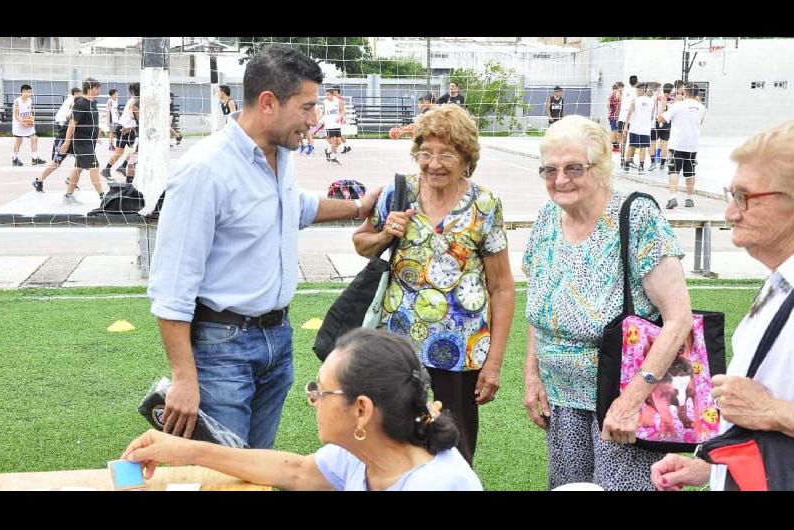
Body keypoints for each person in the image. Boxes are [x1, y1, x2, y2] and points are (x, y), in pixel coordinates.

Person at [147, 44, 381, 450]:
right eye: (307, 108)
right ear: (269, 102)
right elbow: (171, 288)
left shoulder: (278, 155)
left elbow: (295, 206)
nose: (314, 120)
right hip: (222, 348)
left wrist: (359, 206)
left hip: (277, 338)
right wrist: (184, 379)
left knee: (257, 464)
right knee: (223, 472)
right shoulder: (205, 170)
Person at [522, 115, 693, 490]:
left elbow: (679, 319)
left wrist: (631, 401)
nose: (560, 179)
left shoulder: (637, 217)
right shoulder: (548, 217)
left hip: (626, 401)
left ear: (601, 168)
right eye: (549, 170)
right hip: (562, 403)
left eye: (573, 168)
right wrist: (532, 374)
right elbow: (539, 304)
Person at [352, 103, 515, 466]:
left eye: (446, 154)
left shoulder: (484, 205)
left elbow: (502, 287)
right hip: (398, 350)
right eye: (425, 153)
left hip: (460, 353)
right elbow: (361, 242)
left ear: (466, 159)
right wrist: (384, 236)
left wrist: (494, 364)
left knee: (452, 450)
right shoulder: (399, 193)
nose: (433, 164)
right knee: (395, 444)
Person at [121, 328, 483, 491]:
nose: (312, 400)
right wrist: (182, 449)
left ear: (362, 410)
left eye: (321, 391)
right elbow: (296, 471)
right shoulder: (367, 452)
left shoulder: (440, 484)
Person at [651, 121, 794, 491]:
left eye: (744, 197)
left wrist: (773, 413)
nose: (730, 212)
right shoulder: (780, 282)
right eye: (731, 194)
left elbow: (764, 409)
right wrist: (711, 468)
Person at [657, 82, 706, 209]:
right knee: (690, 172)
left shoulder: (678, 105)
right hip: (692, 145)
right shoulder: (701, 108)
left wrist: (662, 107)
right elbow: (700, 121)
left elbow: (660, 119)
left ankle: (672, 197)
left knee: (674, 171)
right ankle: (689, 199)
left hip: (677, 144)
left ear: (686, 92)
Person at [58, 78, 104, 205]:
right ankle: (103, 196)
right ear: (89, 89)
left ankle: (68, 195)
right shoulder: (81, 103)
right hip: (82, 141)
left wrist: (96, 135)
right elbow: (72, 124)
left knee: (78, 168)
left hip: (90, 141)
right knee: (94, 166)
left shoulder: (93, 102)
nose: (99, 90)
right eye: (97, 88)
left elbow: (92, 122)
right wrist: (67, 142)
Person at [32, 92, 82, 193]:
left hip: (73, 141)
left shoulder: (80, 114)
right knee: (56, 163)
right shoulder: (73, 115)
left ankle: (70, 179)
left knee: (81, 162)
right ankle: (39, 180)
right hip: (62, 141)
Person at [101, 82, 139, 181]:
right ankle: (107, 169)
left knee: (135, 150)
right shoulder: (133, 101)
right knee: (120, 152)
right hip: (124, 129)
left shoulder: (137, 100)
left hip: (132, 129)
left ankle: (123, 166)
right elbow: (131, 113)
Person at [12, 84, 46, 167]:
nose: (30, 93)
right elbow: (16, 115)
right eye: (29, 92)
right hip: (19, 124)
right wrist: (22, 122)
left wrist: (32, 119)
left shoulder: (29, 100)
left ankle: (34, 158)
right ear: (23, 92)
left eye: (31, 92)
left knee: (34, 138)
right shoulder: (17, 101)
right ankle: (15, 158)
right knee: (19, 141)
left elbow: (29, 111)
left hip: (28, 123)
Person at [623, 83, 654, 174]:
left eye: (637, 90)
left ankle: (626, 166)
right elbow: (652, 116)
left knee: (631, 146)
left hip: (634, 128)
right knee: (643, 148)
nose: (636, 92)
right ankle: (641, 167)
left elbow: (629, 113)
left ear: (642, 90)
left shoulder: (635, 100)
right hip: (645, 129)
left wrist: (625, 126)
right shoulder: (651, 101)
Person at [648, 83, 673, 172]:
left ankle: (653, 162)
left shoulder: (657, 98)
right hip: (666, 122)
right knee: (664, 144)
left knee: (652, 143)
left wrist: (655, 118)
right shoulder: (672, 99)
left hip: (656, 121)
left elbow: (655, 110)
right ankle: (662, 164)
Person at [618, 75, 638, 168]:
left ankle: (622, 159)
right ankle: (630, 159)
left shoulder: (624, 90)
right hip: (631, 117)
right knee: (632, 140)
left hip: (622, 116)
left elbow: (621, 101)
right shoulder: (636, 91)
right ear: (637, 82)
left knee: (623, 140)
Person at [321, 87, 343, 164]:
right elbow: (323, 112)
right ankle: (334, 158)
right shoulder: (324, 102)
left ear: (332, 95)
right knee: (333, 141)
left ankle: (328, 150)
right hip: (329, 124)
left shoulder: (338, 101)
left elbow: (341, 111)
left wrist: (340, 117)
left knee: (339, 142)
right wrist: (318, 120)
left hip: (337, 124)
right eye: (326, 95)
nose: (326, 96)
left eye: (328, 95)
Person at [334, 86, 351, 154]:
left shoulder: (340, 99)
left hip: (339, 117)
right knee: (338, 133)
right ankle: (346, 146)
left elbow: (343, 109)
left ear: (336, 91)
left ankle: (345, 146)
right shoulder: (335, 98)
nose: (333, 92)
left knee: (339, 133)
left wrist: (343, 117)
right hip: (336, 117)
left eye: (334, 90)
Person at [607, 83, 622, 152]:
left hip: (611, 115)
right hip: (616, 116)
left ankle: (615, 146)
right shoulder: (618, 93)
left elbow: (608, 106)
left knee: (614, 131)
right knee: (616, 132)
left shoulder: (610, 96)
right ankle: (615, 147)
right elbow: (621, 103)